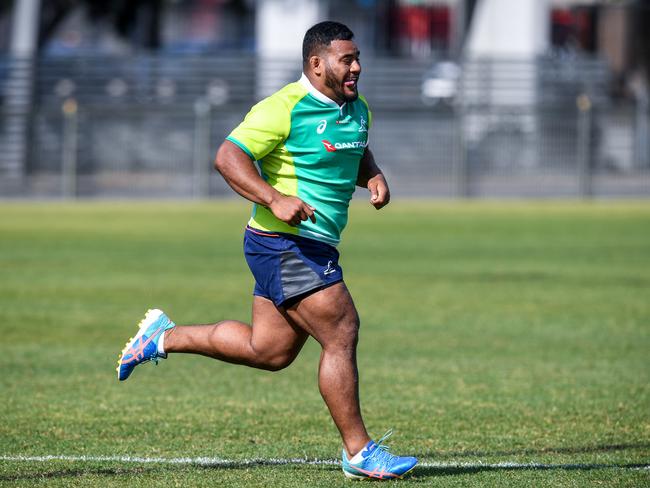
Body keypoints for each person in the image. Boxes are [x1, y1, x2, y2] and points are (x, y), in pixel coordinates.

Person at [116, 20, 417, 481]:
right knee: (341, 328)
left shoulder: (357, 110)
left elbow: (355, 151)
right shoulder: (283, 108)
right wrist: (275, 199)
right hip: (281, 242)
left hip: (309, 245)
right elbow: (228, 157)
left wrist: (373, 176)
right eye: (347, 59)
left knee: (269, 351)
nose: (357, 66)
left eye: (357, 58)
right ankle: (359, 453)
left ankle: (161, 337)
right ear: (317, 65)